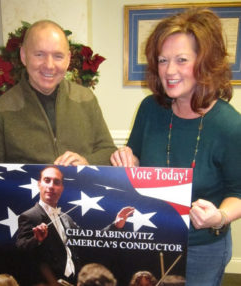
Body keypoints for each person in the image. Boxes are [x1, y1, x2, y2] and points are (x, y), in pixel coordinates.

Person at [110, 7, 241, 286]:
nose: (169, 70)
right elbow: (134, 157)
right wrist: (127, 158)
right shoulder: (150, 109)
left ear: (205, 63)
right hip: (149, 236)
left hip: (202, 248)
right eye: (162, 60)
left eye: (182, 60)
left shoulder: (229, 126)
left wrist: (220, 217)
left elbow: (239, 192)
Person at [0, 19, 116, 196]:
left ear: (68, 59)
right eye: (39, 54)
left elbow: (109, 153)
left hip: (81, 206)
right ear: (24, 56)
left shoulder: (86, 99)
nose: (49, 65)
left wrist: (87, 161)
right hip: (25, 212)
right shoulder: (2, 108)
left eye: (58, 56)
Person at [16, 166, 134, 285]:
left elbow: (88, 240)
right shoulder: (29, 216)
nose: (51, 186)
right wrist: (37, 239)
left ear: (62, 188)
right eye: (47, 180)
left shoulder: (66, 218)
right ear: (39, 184)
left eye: (56, 182)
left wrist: (116, 225)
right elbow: (21, 250)